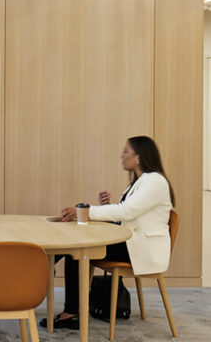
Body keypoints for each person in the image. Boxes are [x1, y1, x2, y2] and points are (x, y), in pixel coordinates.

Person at [43, 136, 175, 330]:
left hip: (140, 248)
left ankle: (51, 285)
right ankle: (42, 270)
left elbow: (127, 211)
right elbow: (127, 214)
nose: (122, 156)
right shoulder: (140, 182)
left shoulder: (155, 182)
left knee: (77, 250)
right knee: (75, 248)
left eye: (126, 151)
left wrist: (86, 212)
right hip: (132, 242)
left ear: (138, 157)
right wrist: (105, 207)